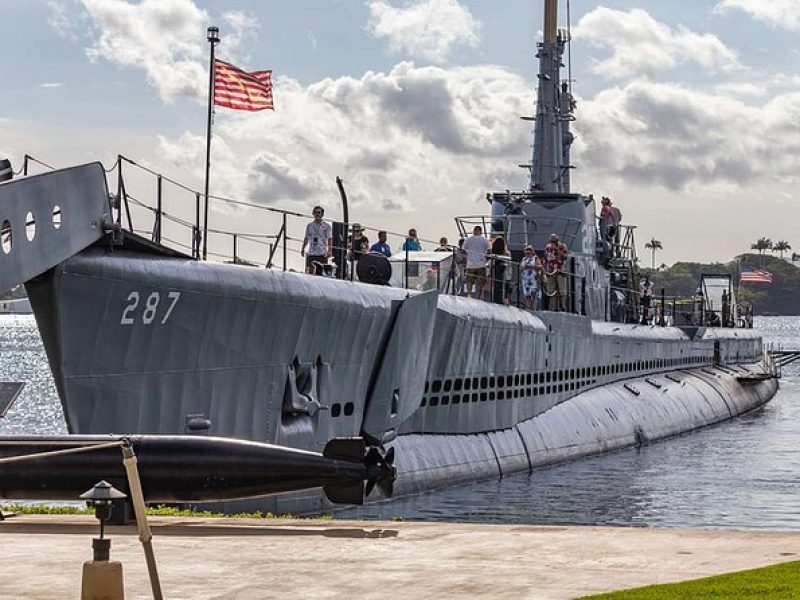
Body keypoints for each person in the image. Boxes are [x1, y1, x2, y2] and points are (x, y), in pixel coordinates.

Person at [300, 205, 332, 275]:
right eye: (315, 212)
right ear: (313, 213)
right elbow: (306, 238)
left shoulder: (327, 226)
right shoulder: (309, 225)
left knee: (321, 273)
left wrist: (330, 250)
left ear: (322, 214)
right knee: (309, 272)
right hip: (311, 252)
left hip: (322, 253)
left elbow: (329, 238)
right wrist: (302, 249)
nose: (317, 214)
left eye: (319, 212)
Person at [543, 233, 569, 311]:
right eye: (552, 241)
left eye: (554, 241)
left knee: (562, 290)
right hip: (550, 271)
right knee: (551, 290)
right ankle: (553, 307)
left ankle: (563, 307)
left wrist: (557, 249)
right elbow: (545, 259)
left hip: (560, 271)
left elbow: (565, 256)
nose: (553, 243)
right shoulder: (547, 247)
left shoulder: (562, 246)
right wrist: (544, 272)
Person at [462, 225, 490, 299]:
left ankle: (469, 295)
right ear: (481, 231)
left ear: (474, 231)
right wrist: (486, 259)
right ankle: (478, 297)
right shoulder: (485, 240)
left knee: (469, 281)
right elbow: (489, 251)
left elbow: (463, 249)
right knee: (480, 282)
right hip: (481, 264)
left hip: (470, 264)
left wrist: (468, 256)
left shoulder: (468, 239)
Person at [520, 245, 542, 310]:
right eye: (526, 253)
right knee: (527, 295)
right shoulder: (524, 259)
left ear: (532, 252)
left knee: (533, 294)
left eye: (529, 253)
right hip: (526, 279)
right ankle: (528, 307)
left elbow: (540, 266)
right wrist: (522, 267)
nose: (527, 255)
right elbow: (520, 267)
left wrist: (530, 266)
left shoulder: (535, 258)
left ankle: (533, 308)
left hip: (533, 279)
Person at [490, 236, 511, 305]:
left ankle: (495, 299)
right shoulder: (507, 253)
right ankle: (505, 300)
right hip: (506, 274)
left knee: (496, 286)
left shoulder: (493, 253)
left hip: (495, 273)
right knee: (505, 287)